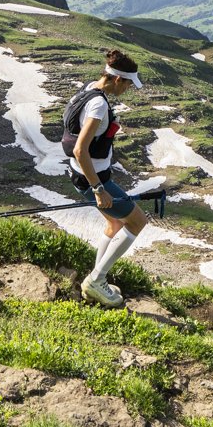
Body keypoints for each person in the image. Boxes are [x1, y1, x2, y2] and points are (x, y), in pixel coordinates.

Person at [61, 48, 147, 308]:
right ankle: (96, 280)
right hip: (93, 179)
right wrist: (99, 189)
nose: (128, 90)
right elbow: (80, 149)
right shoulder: (98, 105)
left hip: (80, 174)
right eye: (128, 84)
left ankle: (98, 280)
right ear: (118, 79)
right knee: (137, 221)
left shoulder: (88, 89)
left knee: (114, 224)